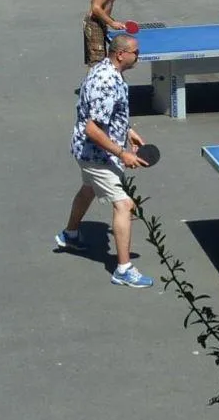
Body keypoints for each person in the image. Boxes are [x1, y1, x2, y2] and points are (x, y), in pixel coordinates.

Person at [57, 34, 155, 287]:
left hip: (88, 152)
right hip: (97, 155)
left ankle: (70, 235)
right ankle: (123, 269)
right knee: (124, 204)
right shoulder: (106, 81)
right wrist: (123, 153)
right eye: (136, 52)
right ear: (121, 54)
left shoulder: (105, 68)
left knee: (88, 189)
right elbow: (93, 128)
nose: (139, 57)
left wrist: (128, 131)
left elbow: (109, 115)